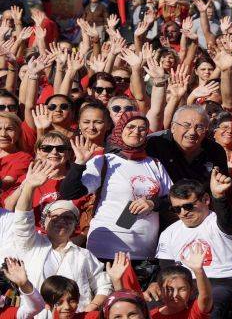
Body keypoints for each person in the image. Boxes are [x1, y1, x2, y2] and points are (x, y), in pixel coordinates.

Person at [59, 113, 172, 275]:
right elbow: (69, 192)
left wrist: (153, 204)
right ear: (120, 130)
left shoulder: (154, 164)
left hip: (142, 251)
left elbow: (172, 199)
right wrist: (79, 164)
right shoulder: (105, 161)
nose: (136, 132)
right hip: (105, 249)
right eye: (131, 127)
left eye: (142, 128)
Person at [6, 159, 111, 313]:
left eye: (68, 218)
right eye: (54, 217)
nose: (61, 221)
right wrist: (29, 186)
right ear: (43, 223)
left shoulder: (83, 255)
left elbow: (104, 285)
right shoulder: (31, 245)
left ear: (75, 225)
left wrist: (90, 309)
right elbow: (22, 220)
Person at [148, 173, 232, 318]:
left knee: (211, 311)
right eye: (176, 209)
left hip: (223, 282)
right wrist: (157, 284)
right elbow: (167, 270)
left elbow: (227, 221)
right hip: (184, 284)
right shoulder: (169, 233)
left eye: (188, 206)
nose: (183, 213)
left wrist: (219, 197)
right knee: (146, 308)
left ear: (206, 199)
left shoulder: (219, 223)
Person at [145, 105, 229, 228]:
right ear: (173, 127)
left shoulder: (215, 151)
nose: (192, 132)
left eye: (199, 127)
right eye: (186, 125)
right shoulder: (155, 144)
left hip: (198, 219)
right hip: (155, 215)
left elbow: (218, 190)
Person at [149, 244, 212, 319]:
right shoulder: (151, 315)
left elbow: (206, 298)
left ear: (191, 290)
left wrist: (198, 270)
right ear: (160, 290)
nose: (175, 295)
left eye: (182, 289)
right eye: (169, 289)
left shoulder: (195, 311)